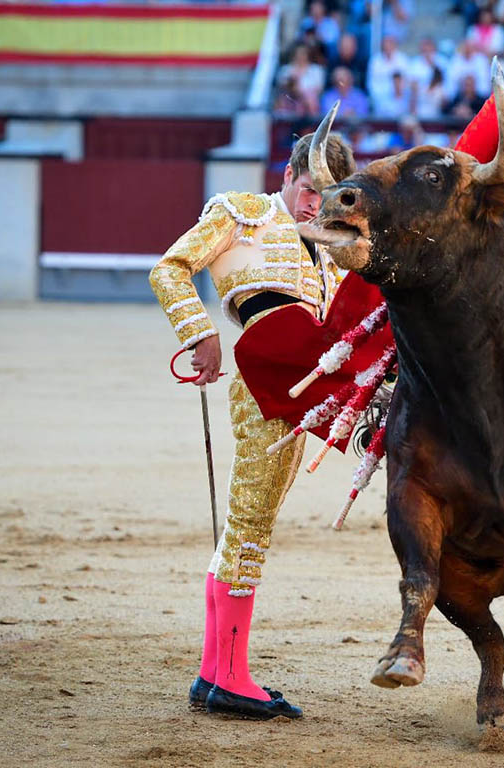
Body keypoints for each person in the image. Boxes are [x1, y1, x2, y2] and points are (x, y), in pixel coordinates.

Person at [149, 130, 357, 720]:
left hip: (304, 395)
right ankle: (230, 677)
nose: (315, 203)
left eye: (328, 195)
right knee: (250, 526)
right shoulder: (242, 214)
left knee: (247, 523)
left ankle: (215, 672)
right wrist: (201, 334)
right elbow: (170, 269)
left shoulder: (331, 245)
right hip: (261, 383)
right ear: (288, 175)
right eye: (310, 189)